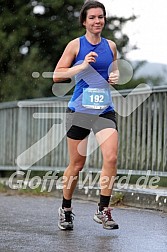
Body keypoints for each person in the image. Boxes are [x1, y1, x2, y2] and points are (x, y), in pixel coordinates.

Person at [53, 0, 119, 231]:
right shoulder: (75, 45)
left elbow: (114, 68)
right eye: (92, 17)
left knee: (110, 158)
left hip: (104, 110)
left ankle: (103, 209)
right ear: (84, 21)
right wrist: (80, 67)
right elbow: (57, 75)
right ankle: (66, 209)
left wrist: (114, 76)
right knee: (77, 164)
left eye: (100, 17)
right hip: (79, 110)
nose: (97, 21)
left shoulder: (110, 46)